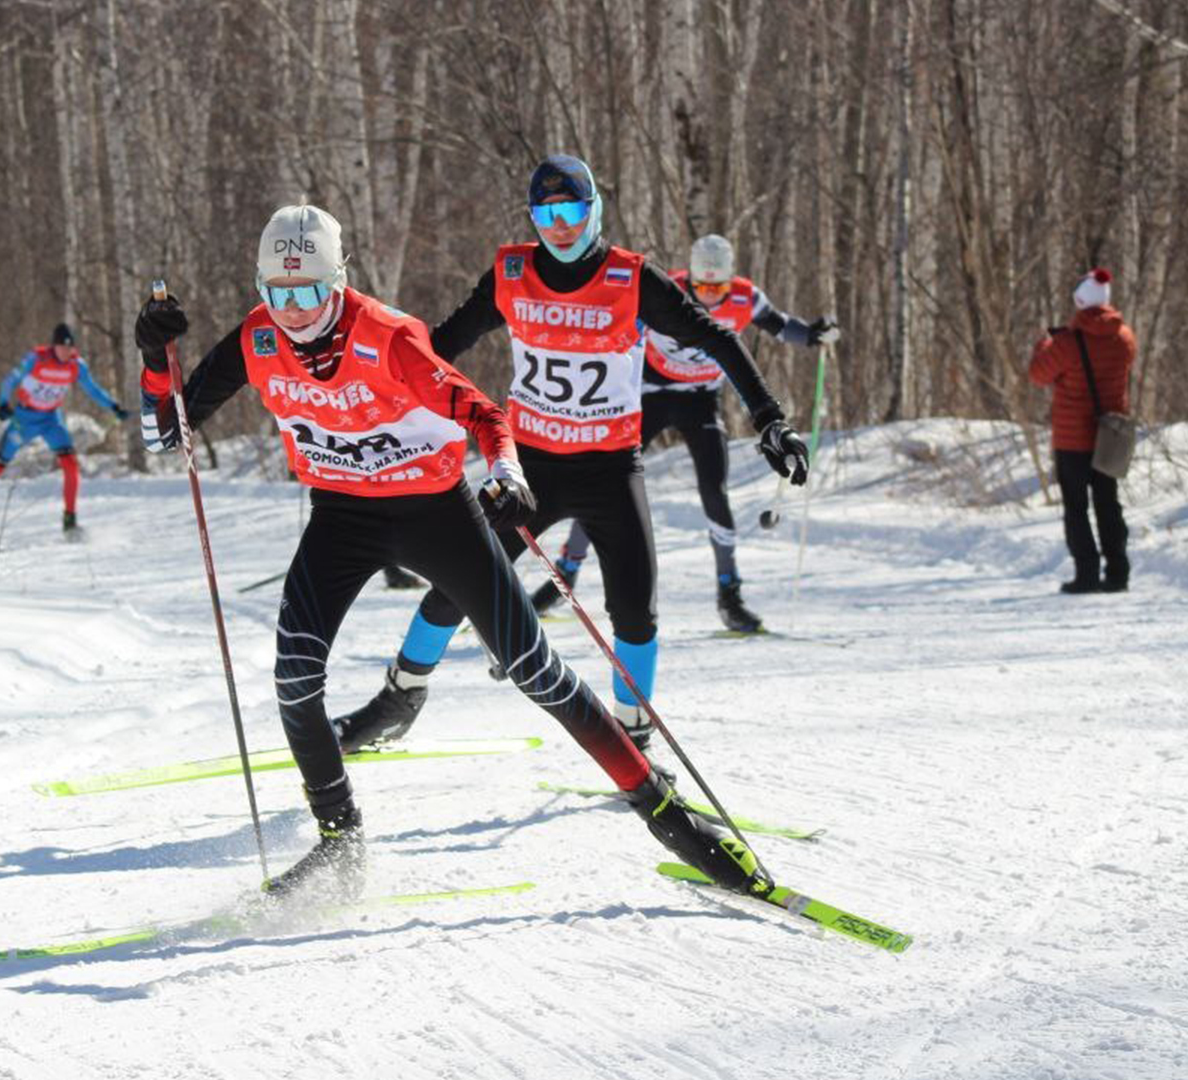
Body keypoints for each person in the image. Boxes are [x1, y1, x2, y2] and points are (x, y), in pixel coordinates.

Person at [134, 203, 771, 901]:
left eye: (308, 291)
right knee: (293, 679)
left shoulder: (390, 339)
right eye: (276, 293)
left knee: (538, 673)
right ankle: (340, 843)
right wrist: (155, 364)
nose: (291, 309)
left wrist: (507, 475)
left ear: (338, 281)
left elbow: (485, 416)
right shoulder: (257, 341)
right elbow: (169, 436)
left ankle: (673, 822)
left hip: (434, 514)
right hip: (341, 517)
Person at [332, 155, 808, 754]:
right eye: (546, 211)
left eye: (572, 209)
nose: (558, 224)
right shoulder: (511, 272)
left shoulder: (631, 278)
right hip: (527, 468)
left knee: (635, 608)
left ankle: (635, 737)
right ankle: (396, 702)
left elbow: (719, 338)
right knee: (456, 583)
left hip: (610, 469)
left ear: (594, 210)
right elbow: (443, 348)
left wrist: (769, 420)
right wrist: (370, 407)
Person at [528, 233, 840, 633]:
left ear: (730, 281)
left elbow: (780, 327)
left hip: (700, 400)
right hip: (651, 394)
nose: (709, 296)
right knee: (605, 482)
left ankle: (730, 594)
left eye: (718, 288)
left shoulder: (745, 297)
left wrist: (814, 333)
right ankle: (564, 576)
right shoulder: (667, 288)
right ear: (690, 279)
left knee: (715, 489)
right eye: (702, 287)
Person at [0, 323, 127, 543]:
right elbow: (9, 381)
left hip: (51, 420)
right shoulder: (36, 359)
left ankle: (70, 522)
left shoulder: (76, 366)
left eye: (70, 348)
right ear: (53, 346)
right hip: (24, 420)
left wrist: (114, 406)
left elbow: (93, 389)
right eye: (62, 347)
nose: (66, 352)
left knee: (70, 464)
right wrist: (3, 404)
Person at [1029, 268, 1135, 593]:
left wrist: (1045, 344)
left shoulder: (1067, 343)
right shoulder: (1124, 337)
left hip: (1073, 437)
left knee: (1076, 507)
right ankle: (1117, 572)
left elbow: (1038, 374)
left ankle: (1086, 573)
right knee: (1108, 503)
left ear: (1080, 300)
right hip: (1110, 435)